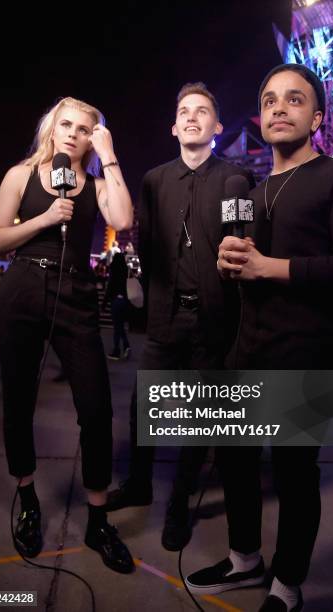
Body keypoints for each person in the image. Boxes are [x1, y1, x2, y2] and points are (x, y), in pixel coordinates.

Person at [185, 65, 333, 610]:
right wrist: (230, 263)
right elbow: (242, 263)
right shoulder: (246, 191)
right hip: (248, 351)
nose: (278, 108)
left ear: (316, 118)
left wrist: (268, 268)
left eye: (294, 100)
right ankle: (245, 560)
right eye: (269, 99)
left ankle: (287, 583)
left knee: (295, 472)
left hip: (310, 354)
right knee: (236, 459)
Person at [0, 96, 134, 574]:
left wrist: (110, 157)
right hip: (23, 287)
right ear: (52, 128)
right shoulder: (19, 176)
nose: (73, 133)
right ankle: (27, 497)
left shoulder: (93, 183)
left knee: (95, 408)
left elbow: (124, 220)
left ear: (94, 137)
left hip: (74, 292)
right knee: (20, 402)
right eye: (66, 124)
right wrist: (47, 218)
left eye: (85, 128)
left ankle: (96, 518)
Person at [105, 82, 254, 551]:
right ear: (174, 126)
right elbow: (145, 243)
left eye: (202, 111)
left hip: (215, 321)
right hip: (166, 318)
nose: (192, 117)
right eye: (184, 111)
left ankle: (178, 504)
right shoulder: (153, 180)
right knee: (142, 408)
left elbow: (240, 240)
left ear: (217, 126)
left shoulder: (237, 178)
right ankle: (139, 484)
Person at [104, 252, 131, 360]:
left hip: (116, 301)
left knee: (117, 327)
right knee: (120, 326)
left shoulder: (114, 270)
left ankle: (117, 350)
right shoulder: (126, 271)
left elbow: (110, 287)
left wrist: (104, 303)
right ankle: (125, 345)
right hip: (124, 301)